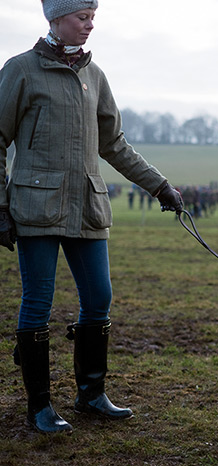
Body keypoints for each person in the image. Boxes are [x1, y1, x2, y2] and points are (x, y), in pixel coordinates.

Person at [0, 0, 183, 434]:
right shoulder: (21, 70)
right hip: (35, 208)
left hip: (87, 206)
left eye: (92, 17)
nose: (89, 25)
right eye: (82, 18)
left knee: (99, 297)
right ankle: (40, 407)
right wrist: (0, 208)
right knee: (37, 303)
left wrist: (160, 185)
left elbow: (114, 145)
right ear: (55, 19)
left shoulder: (95, 76)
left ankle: (90, 394)